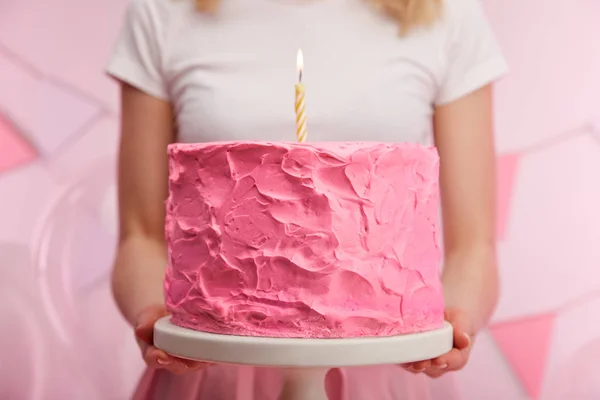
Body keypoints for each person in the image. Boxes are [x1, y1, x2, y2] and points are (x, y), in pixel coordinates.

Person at [107, 0, 507, 398]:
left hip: (387, 375)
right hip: (209, 375)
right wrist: (152, 314)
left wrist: (458, 319)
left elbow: (473, 246)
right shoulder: (163, 12)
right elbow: (139, 237)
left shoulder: (445, 12)